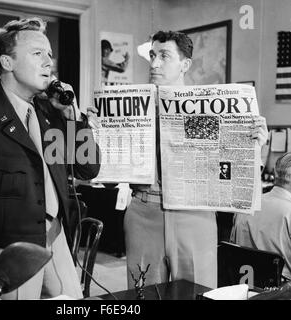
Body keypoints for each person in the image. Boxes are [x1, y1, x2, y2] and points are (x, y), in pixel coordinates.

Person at [0, 17, 100, 300]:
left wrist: (74, 117)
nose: (47, 62)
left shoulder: (50, 115)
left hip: (55, 237)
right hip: (10, 251)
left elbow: (87, 168)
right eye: (37, 53)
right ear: (7, 62)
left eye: (49, 54)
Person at [124, 31, 268, 289]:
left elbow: (225, 168)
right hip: (144, 212)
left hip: (194, 214)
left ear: (185, 64)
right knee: (141, 294)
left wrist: (253, 144)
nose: (154, 63)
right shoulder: (135, 106)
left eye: (164, 56)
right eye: (152, 55)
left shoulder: (207, 106)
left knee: (195, 293)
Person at [230, 152, 291, 281]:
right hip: (281, 292)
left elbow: (232, 249)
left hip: (242, 286)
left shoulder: (247, 205)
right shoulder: (288, 212)